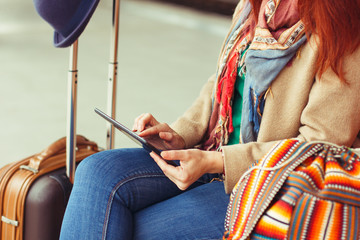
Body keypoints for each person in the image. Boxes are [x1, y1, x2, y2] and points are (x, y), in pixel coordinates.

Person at [60, 0, 360, 239]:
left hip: (266, 182)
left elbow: (320, 146)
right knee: (96, 170)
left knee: (136, 228)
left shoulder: (345, 28)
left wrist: (218, 163)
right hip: (209, 154)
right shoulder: (253, 7)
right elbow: (220, 83)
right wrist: (177, 135)